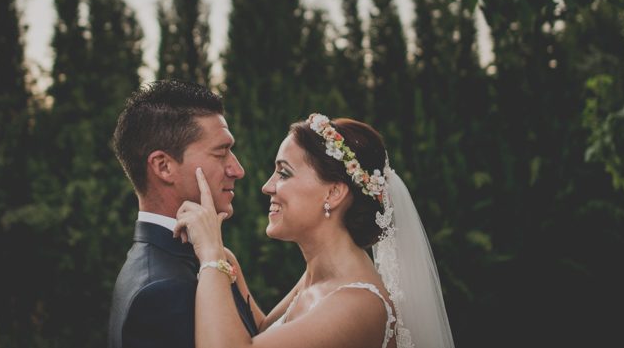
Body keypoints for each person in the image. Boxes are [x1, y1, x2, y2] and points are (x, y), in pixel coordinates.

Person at [175, 114, 455, 348]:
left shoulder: (358, 304)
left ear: (333, 193)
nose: (267, 186)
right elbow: (264, 332)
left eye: (284, 173)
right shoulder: (318, 277)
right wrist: (226, 260)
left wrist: (211, 255)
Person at [108, 80, 259, 348]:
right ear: (164, 167)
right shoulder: (161, 289)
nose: (237, 170)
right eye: (221, 153)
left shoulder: (201, 256)